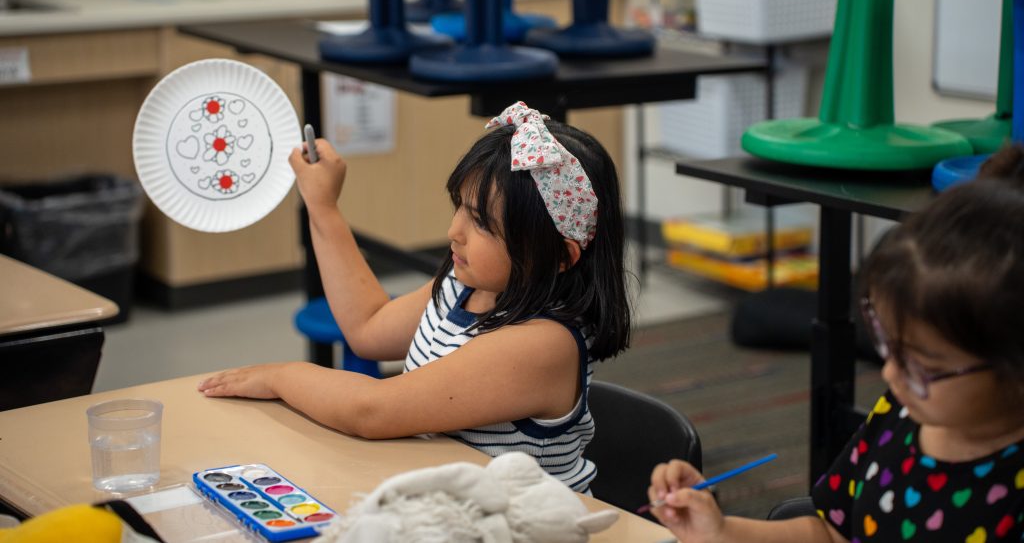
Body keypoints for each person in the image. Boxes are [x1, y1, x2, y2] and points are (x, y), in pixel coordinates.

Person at [198, 101, 632, 492]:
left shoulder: (544, 342)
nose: (453, 231)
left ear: (559, 255)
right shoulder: (467, 286)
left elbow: (373, 410)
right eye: (458, 206)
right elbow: (368, 329)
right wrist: (322, 205)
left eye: (481, 222)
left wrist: (280, 376)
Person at [647, 143, 1024, 541]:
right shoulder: (899, 415)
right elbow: (828, 531)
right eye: (888, 346)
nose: (890, 373)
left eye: (923, 367)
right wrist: (721, 531)